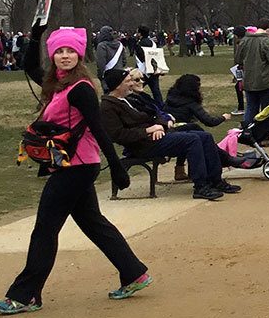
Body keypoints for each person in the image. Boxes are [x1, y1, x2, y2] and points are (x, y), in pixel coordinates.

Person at [0, 24, 151, 315]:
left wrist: (117, 167)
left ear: (79, 55)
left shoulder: (80, 89)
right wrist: (37, 36)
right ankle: (133, 273)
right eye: (59, 51)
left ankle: (26, 294)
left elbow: (99, 128)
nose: (65, 56)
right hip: (70, 165)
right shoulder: (57, 85)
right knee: (93, 223)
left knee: (45, 229)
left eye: (71, 51)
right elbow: (28, 66)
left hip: (76, 167)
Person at [101, 68, 240, 200]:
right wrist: (147, 131)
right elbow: (117, 135)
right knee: (192, 140)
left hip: (157, 136)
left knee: (205, 136)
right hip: (142, 145)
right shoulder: (109, 107)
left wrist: (160, 126)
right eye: (128, 81)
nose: (131, 84)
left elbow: (156, 112)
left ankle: (215, 180)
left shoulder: (130, 99)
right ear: (117, 86)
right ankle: (201, 186)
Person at [165, 72, 235, 182]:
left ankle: (179, 170)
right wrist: (223, 117)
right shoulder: (190, 103)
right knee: (196, 134)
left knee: (189, 131)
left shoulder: (171, 98)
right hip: (181, 134)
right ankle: (223, 161)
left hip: (170, 131)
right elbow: (209, 121)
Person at [239, 20, 269, 136]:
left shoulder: (245, 41)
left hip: (248, 80)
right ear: (268, 29)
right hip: (264, 81)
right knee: (266, 110)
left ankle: (248, 133)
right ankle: (264, 136)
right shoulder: (267, 41)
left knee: (251, 108)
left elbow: (238, 59)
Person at [133, 25, 164, 103]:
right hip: (153, 69)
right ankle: (160, 106)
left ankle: (141, 103)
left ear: (140, 34)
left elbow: (141, 58)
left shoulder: (139, 44)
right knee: (156, 91)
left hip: (143, 71)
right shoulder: (153, 43)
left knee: (136, 89)